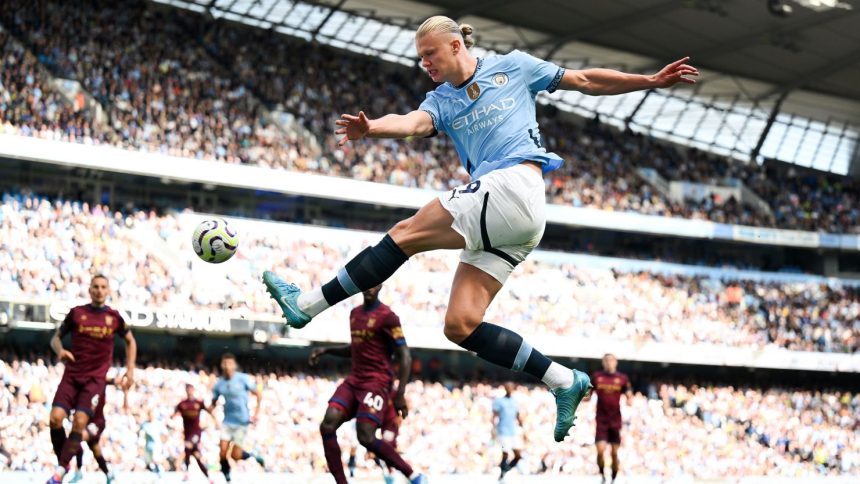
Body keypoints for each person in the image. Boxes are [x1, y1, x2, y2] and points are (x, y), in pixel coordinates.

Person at [262, 15, 697, 442]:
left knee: (405, 233)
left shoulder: (514, 66)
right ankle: (564, 380)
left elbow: (583, 80)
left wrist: (651, 82)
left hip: (514, 185)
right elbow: (413, 123)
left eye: (430, 54)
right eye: (420, 58)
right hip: (514, 220)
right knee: (461, 325)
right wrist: (372, 128)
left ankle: (308, 305)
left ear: (456, 46)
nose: (425, 63)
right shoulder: (440, 100)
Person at [308, 285, 425, 484]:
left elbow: (405, 356)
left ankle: (412, 475)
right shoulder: (354, 314)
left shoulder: (388, 316)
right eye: (366, 282)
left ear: (380, 286)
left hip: (377, 382)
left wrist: (400, 394)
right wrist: (326, 350)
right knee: (328, 424)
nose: (370, 287)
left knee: (366, 437)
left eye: (375, 283)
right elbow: (355, 348)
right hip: (355, 380)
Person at [47, 274, 136, 484]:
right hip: (72, 375)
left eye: (103, 287)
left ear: (108, 291)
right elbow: (55, 339)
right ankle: (65, 462)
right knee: (55, 418)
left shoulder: (114, 317)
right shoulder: (77, 313)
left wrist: (130, 371)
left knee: (79, 422)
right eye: (95, 286)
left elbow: (131, 342)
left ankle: (60, 471)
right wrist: (60, 351)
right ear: (89, 289)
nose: (99, 290)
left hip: (94, 380)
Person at [210, 353, 265, 482]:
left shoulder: (243, 379)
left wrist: (256, 413)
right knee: (222, 451)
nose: (227, 366)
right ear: (222, 366)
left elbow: (258, 394)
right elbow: (213, 402)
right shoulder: (220, 384)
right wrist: (208, 411)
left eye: (229, 364)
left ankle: (253, 455)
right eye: (225, 364)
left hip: (241, 421)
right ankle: (227, 475)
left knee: (235, 455)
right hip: (227, 421)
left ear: (234, 365)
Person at [69, 375, 126, 484]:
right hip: (85, 422)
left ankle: (79, 471)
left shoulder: (99, 380)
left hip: (97, 422)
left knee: (76, 437)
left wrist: (118, 381)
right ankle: (108, 474)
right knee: (95, 449)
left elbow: (111, 379)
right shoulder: (81, 384)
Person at [592, 354, 632, 483]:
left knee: (614, 453)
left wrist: (630, 397)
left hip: (615, 420)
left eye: (611, 360)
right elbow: (588, 395)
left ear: (616, 362)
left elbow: (628, 392)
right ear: (603, 363)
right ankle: (603, 475)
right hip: (601, 420)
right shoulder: (597, 377)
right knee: (600, 450)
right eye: (607, 360)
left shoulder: (622, 378)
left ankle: (613, 477)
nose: (609, 363)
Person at [174, 383, 214, 482]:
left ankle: (186, 472)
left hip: (196, 433)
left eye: (191, 389)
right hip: (187, 433)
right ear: (186, 391)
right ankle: (209, 478)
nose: (190, 391)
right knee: (196, 456)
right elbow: (175, 414)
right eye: (188, 390)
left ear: (193, 390)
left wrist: (213, 420)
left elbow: (209, 411)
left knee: (187, 446)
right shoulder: (182, 404)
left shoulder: (198, 403)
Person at [493, 382, 524, 481]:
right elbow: (494, 415)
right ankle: (502, 475)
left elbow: (518, 416)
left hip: (513, 432)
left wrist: (522, 427)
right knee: (505, 453)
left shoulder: (515, 402)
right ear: (505, 389)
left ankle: (504, 471)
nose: (509, 389)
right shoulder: (499, 401)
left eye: (511, 388)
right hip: (503, 431)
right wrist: (493, 429)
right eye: (507, 388)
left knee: (518, 455)